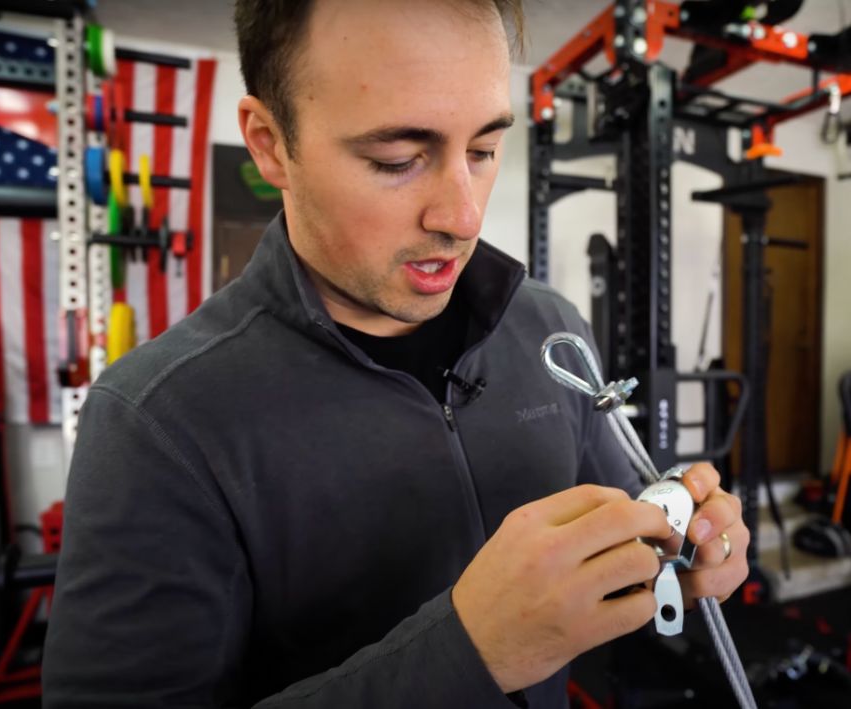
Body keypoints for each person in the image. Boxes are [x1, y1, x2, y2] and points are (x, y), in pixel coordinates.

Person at [42, 1, 750, 707]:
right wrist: (467, 653)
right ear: (269, 144)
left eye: (482, 150)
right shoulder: (158, 422)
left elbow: (625, 547)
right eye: (398, 159)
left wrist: (679, 545)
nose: (464, 216)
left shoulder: (549, 331)